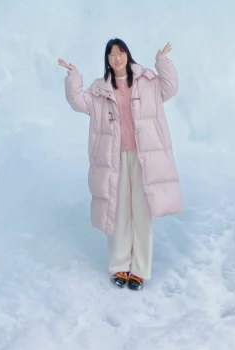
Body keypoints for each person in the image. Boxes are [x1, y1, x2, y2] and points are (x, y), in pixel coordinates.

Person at [58, 38, 182, 290]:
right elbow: (78, 103)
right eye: (112, 54)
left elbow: (170, 88)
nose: (117, 58)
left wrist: (162, 62)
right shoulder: (99, 90)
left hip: (144, 157)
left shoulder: (148, 82)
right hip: (115, 160)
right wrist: (73, 76)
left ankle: (139, 270)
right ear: (107, 60)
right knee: (118, 211)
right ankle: (120, 267)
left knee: (142, 213)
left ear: (128, 55)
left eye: (121, 52)